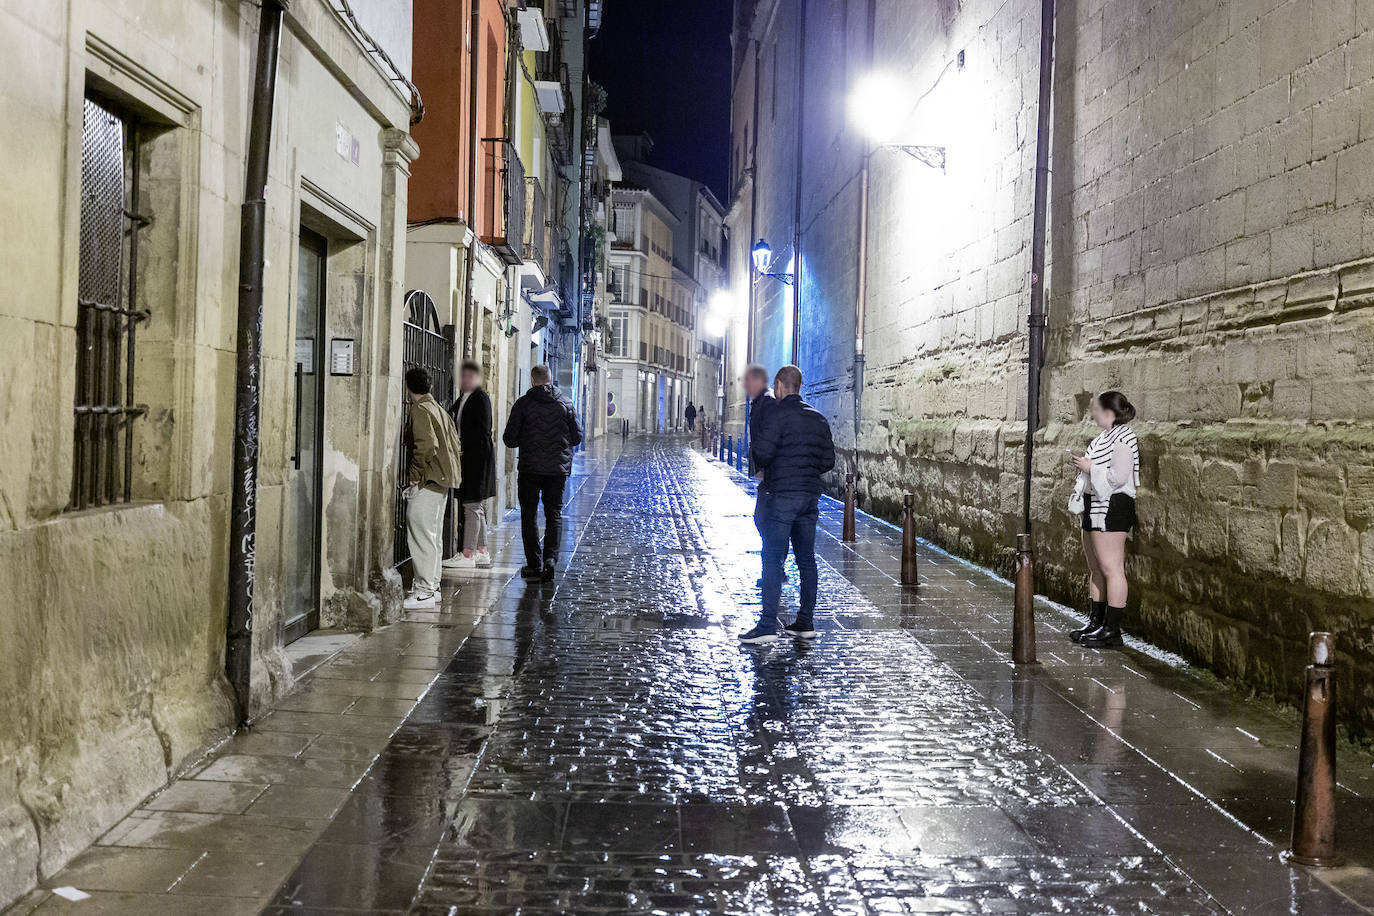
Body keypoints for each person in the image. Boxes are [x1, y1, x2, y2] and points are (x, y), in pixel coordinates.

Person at [741, 364, 835, 644]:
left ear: (780, 386)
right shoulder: (818, 419)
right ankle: (805, 622)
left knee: (772, 557)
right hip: (809, 496)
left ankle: (768, 624)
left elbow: (763, 452)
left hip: (782, 495)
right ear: (800, 386)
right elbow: (828, 460)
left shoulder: (777, 415)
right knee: (806, 559)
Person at [1069, 390, 1140, 649]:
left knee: (1112, 568)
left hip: (1113, 506)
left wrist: (1090, 468)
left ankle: (1112, 630)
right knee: (1096, 568)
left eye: (1097, 409)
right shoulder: (1103, 438)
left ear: (1109, 413)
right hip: (1094, 503)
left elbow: (1118, 477)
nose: (1093, 414)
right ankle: (1096, 622)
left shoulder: (1123, 439)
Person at [503, 365, 582, 581]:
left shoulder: (523, 404)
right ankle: (550, 560)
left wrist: (528, 440)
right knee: (553, 513)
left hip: (530, 468)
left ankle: (533, 563)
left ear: (532, 380)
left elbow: (509, 439)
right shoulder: (565, 403)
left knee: (528, 515)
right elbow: (577, 438)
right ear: (551, 379)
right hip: (557, 470)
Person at [403, 367, 462, 609]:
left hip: (430, 480)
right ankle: (432, 586)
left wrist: (415, 475)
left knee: (420, 532)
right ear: (430, 387)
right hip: (444, 481)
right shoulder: (438, 409)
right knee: (433, 535)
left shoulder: (420, 409)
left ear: (408, 388)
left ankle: (424, 591)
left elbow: (426, 445)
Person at [442, 360, 496, 571]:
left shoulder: (480, 398)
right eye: (463, 376)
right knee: (476, 507)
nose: (465, 380)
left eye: (469, 377)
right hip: (469, 459)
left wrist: (463, 448)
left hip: (476, 460)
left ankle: (467, 554)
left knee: (471, 506)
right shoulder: (464, 398)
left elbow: (482, 431)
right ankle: (482, 551)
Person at [743, 364, 778, 586]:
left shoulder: (767, 403)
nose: (745, 386)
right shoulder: (760, 402)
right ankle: (774, 567)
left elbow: (769, 438)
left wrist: (765, 467)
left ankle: (774, 569)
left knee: (764, 519)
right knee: (764, 520)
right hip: (768, 472)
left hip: (772, 473)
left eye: (748, 382)